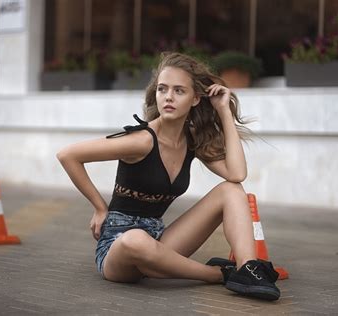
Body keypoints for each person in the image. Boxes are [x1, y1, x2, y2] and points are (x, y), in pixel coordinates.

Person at [57, 52, 280, 301]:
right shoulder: (141, 140)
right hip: (118, 248)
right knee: (135, 240)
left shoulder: (191, 140)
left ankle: (247, 268)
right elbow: (68, 155)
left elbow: (237, 174)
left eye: (179, 91)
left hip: (160, 241)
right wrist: (100, 208)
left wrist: (224, 111)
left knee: (231, 190)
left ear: (195, 99)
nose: (168, 97)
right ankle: (217, 275)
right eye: (162, 89)